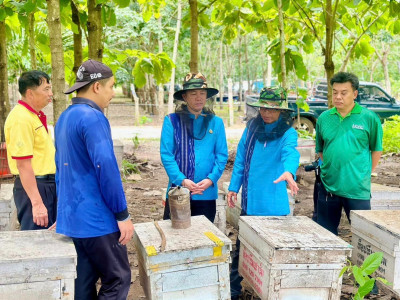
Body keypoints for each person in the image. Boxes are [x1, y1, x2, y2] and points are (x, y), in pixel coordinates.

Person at [55, 59, 134, 299]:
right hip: (96, 220)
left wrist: (61, 211)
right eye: (111, 86)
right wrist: (122, 214)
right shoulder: (93, 117)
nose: (113, 93)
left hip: (73, 219)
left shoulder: (64, 118)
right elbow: (106, 168)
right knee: (119, 278)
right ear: (96, 87)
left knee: (83, 284)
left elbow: (60, 170)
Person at [227, 87, 300, 300]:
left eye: (273, 109)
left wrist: (289, 170)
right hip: (250, 203)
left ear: (281, 111)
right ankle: (233, 291)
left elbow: (290, 152)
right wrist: (233, 186)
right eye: (263, 108)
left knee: (273, 257)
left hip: (274, 208)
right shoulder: (251, 129)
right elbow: (240, 158)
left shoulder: (288, 133)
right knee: (241, 251)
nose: (267, 113)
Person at [315, 72, 383, 236]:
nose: (338, 97)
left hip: (357, 189)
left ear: (354, 94)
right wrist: (332, 168)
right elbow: (321, 150)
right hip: (328, 187)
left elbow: (376, 150)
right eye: (335, 92)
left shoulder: (369, 118)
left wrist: (363, 173)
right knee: (325, 234)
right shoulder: (324, 118)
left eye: (343, 93)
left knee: (364, 236)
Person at [160, 72, 228, 223]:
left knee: (204, 236)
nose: (199, 98)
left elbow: (222, 155)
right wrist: (182, 180)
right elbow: (166, 155)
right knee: (176, 235)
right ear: (184, 97)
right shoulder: (172, 121)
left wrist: (211, 179)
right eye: (193, 93)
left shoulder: (216, 122)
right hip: (178, 191)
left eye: (202, 93)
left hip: (206, 192)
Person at [4, 70, 56, 230]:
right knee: (38, 241)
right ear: (30, 93)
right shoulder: (21, 119)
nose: (51, 94)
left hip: (46, 185)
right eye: (46, 89)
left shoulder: (33, 115)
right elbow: (23, 164)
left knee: (50, 239)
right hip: (35, 187)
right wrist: (37, 203)